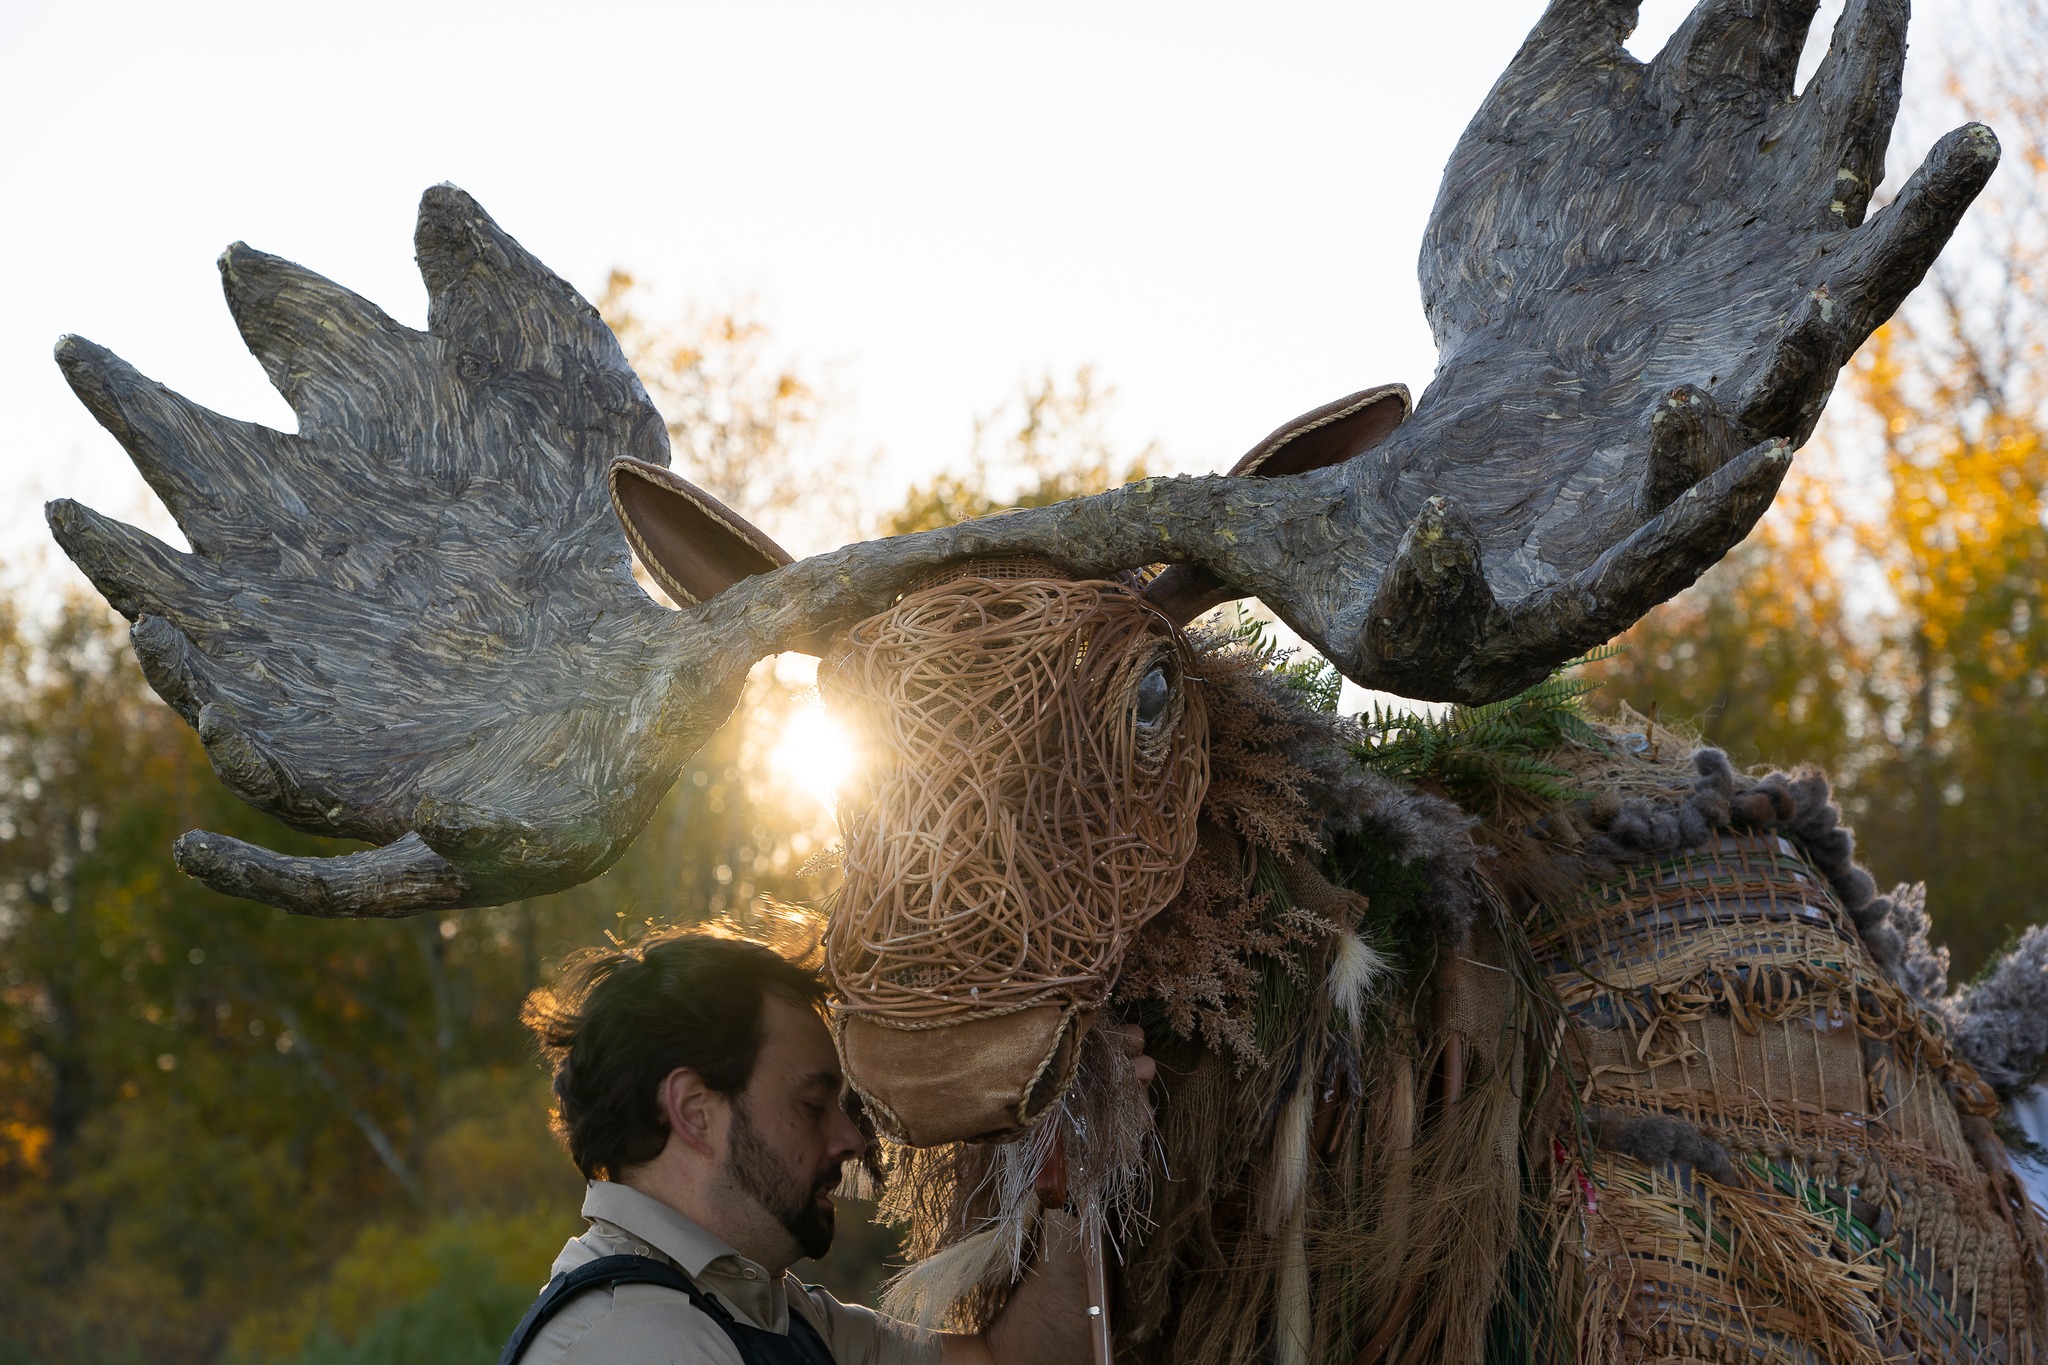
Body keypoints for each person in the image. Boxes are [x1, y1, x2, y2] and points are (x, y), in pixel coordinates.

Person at [501, 923, 1147, 1365]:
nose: (849, 1137)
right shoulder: (635, 1341)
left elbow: (1004, 1361)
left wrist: (1069, 1174)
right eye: (812, 1105)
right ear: (695, 1111)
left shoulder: (768, 1310)